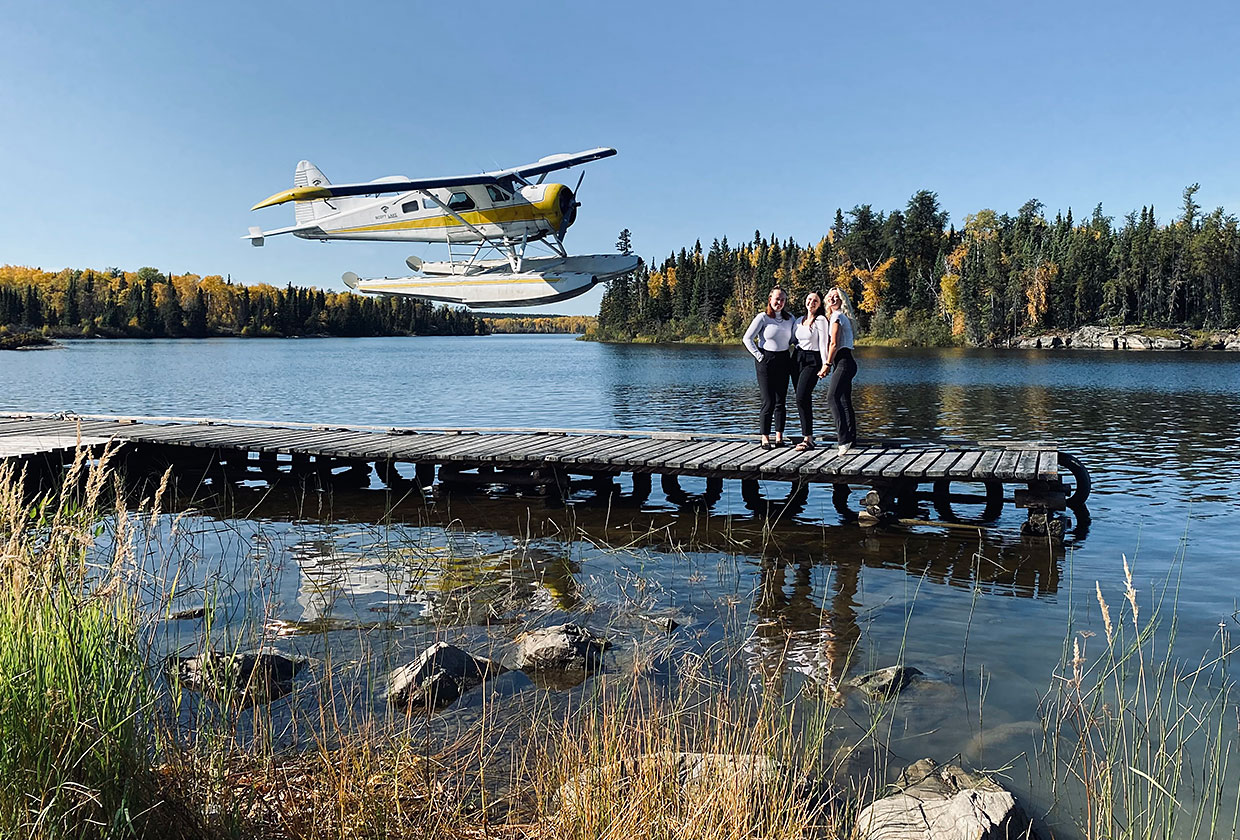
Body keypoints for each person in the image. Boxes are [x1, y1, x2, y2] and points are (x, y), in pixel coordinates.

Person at [742, 287, 794, 449]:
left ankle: (779, 437)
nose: (780, 302)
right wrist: (759, 356)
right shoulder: (763, 318)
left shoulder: (790, 318)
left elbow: (794, 339)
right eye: (777, 299)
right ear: (770, 299)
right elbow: (747, 339)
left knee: (781, 401)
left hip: (784, 359)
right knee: (768, 401)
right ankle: (765, 437)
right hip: (766, 360)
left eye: (783, 300)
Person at [790, 291, 830, 451]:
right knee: (801, 400)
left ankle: (808, 439)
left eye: (815, 300)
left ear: (820, 304)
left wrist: (826, 364)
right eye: (809, 299)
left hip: (813, 360)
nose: (811, 302)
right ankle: (807, 436)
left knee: (802, 396)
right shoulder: (799, 320)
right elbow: (792, 340)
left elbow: (823, 343)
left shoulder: (820, 320)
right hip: (797, 359)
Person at [823, 286, 857, 454]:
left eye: (836, 297)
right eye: (830, 297)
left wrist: (827, 365)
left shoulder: (837, 316)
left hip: (843, 362)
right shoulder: (841, 317)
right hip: (847, 362)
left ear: (842, 300)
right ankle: (851, 438)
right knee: (844, 401)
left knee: (832, 398)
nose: (833, 299)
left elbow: (834, 344)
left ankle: (843, 440)